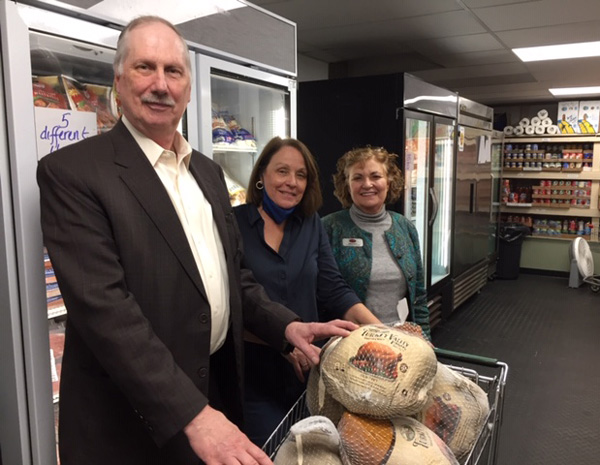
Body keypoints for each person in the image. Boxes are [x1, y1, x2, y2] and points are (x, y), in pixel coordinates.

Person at [37, 16, 357, 465]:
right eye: (144, 67)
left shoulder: (206, 172)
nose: (161, 85)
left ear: (189, 87)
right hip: (128, 424)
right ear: (118, 80)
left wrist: (285, 326)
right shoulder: (73, 173)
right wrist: (193, 414)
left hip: (214, 397)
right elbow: (106, 313)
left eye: (174, 71)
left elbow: (234, 278)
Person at [234, 137, 380, 446]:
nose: (292, 182)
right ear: (261, 175)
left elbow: (334, 289)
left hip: (309, 374)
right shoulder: (232, 224)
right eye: (282, 171)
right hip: (255, 375)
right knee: (270, 450)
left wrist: (381, 332)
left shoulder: (310, 223)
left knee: (311, 452)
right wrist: (286, 342)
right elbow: (232, 305)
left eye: (301, 175)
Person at [322, 146, 431, 339]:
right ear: (346, 184)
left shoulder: (405, 228)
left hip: (401, 339)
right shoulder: (329, 228)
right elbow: (323, 293)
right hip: (348, 341)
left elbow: (419, 296)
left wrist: (425, 339)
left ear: (389, 182)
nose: (367, 184)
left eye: (375, 176)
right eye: (357, 178)